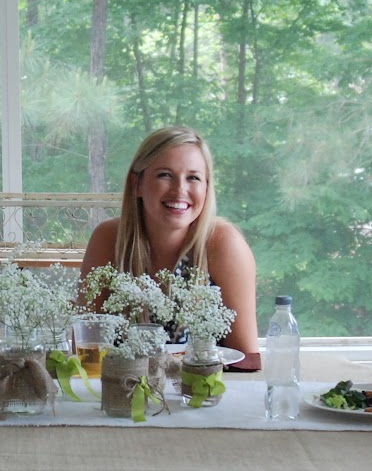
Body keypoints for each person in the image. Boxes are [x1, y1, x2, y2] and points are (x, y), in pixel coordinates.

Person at [78, 127, 260, 363]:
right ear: (137, 184)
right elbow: (86, 351)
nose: (179, 190)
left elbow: (247, 360)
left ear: (207, 188)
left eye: (193, 178)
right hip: (122, 384)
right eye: (165, 175)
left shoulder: (224, 244)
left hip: (204, 386)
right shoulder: (108, 238)